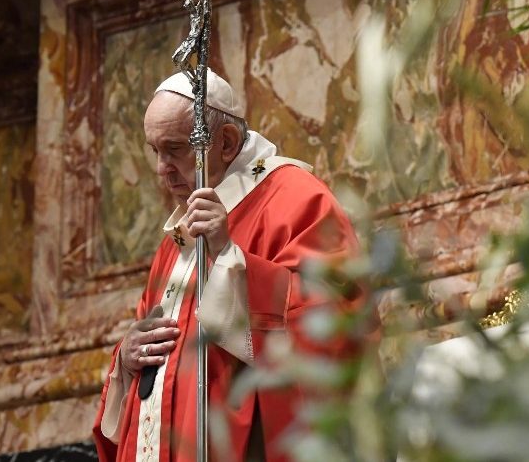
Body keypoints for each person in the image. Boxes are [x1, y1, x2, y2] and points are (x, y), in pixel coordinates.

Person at [93, 70, 368, 461]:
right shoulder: (179, 237)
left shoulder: (293, 198)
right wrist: (126, 356)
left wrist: (229, 257)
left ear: (225, 143)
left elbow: (337, 324)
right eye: (154, 150)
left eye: (174, 149)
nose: (161, 168)